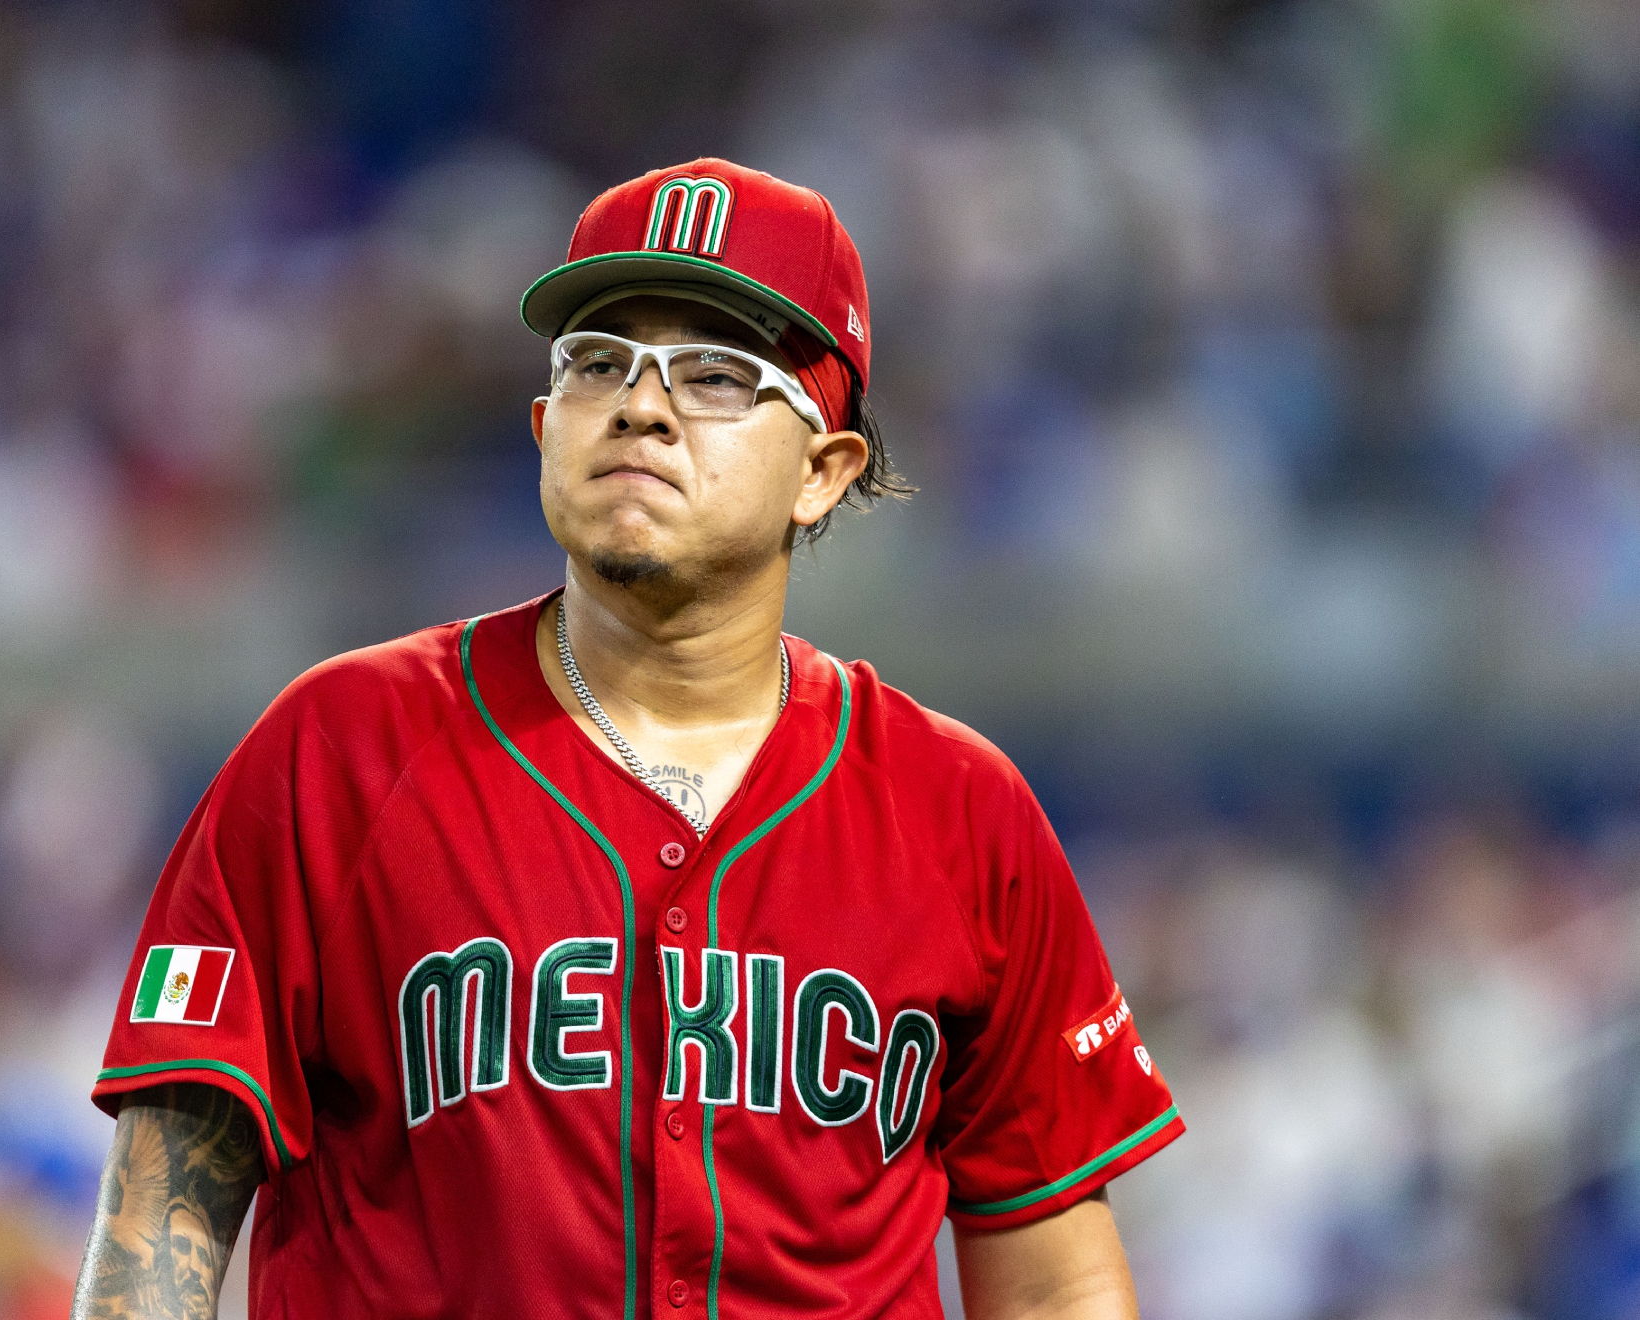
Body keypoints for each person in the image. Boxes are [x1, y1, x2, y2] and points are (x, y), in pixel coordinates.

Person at [71, 158, 1183, 1320]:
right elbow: (163, 1211)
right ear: (548, 424)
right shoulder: (340, 751)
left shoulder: (959, 808)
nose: (640, 405)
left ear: (823, 470)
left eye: (714, 375)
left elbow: (1053, 1276)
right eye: (598, 361)